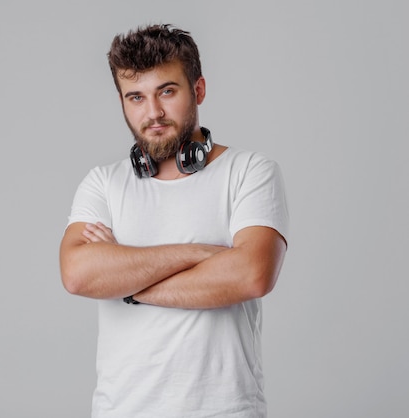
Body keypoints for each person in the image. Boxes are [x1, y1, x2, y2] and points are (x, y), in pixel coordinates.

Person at [59, 23, 289, 418]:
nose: (153, 112)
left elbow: (252, 274)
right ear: (122, 102)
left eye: (167, 91)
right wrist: (200, 253)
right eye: (135, 97)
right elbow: (78, 275)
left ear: (198, 90)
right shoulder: (103, 183)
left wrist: (127, 284)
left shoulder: (251, 171)